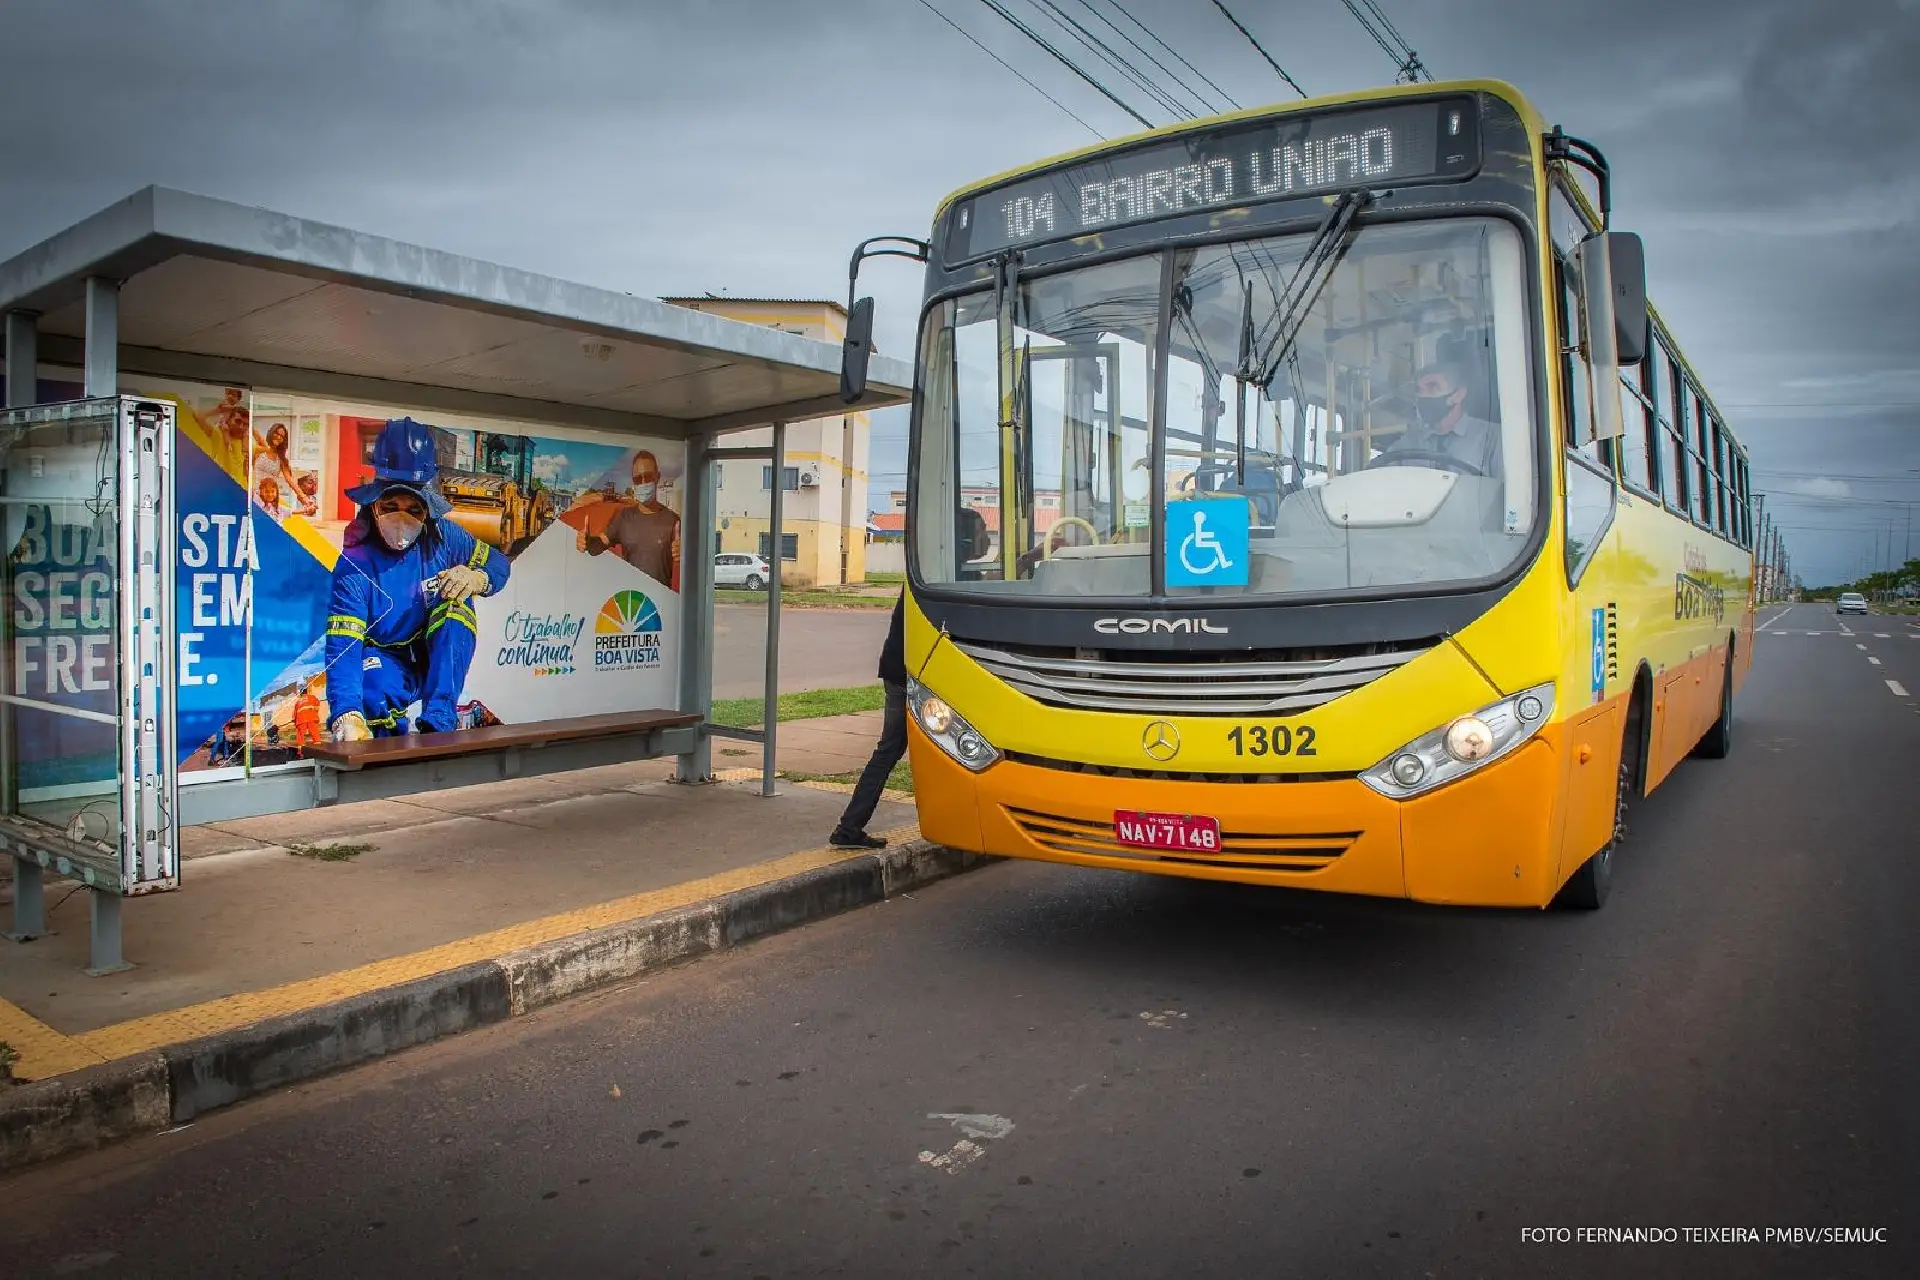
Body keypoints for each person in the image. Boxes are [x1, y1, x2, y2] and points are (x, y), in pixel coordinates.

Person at [324, 418, 510, 741]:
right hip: (385, 660)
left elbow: (498, 563)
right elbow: (344, 645)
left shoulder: (443, 538)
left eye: (414, 509)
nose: (402, 518)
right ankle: (386, 746)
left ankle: (440, 721)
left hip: (432, 654)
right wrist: (346, 712)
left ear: (427, 508)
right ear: (374, 504)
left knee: (457, 603)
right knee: (373, 691)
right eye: (391, 505)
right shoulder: (355, 564)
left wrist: (478, 578)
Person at [829, 507, 989, 849]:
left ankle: (850, 828)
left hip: (903, 670)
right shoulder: (949, 579)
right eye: (982, 532)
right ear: (963, 539)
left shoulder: (933, 571)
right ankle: (850, 827)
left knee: (896, 750)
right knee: (930, 748)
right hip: (914, 676)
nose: (987, 540)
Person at [1382, 361, 1502, 477]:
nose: (1423, 396)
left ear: (1459, 394)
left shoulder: (1492, 439)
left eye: (1433, 386)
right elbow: (1383, 480)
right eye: (1419, 390)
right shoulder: (1408, 443)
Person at [601, 449, 681, 590]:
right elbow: (599, 544)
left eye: (648, 476)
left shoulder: (673, 521)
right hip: (631, 601)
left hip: (660, 604)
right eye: (638, 479)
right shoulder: (624, 517)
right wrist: (588, 541)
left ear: (658, 477)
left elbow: (693, 564)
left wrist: (685, 553)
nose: (643, 483)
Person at [291, 684, 325, 752]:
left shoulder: (298, 702)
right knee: (314, 731)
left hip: (301, 719)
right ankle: (318, 745)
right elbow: (317, 704)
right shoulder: (312, 697)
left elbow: (295, 713)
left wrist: (294, 720)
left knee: (300, 734)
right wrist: (314, 712)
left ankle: (301, 748)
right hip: (311, 717)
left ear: (300, 693)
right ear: (306, 692)